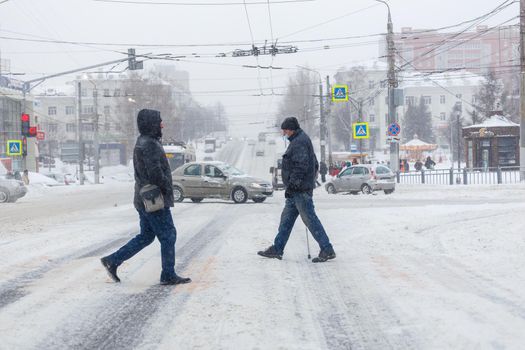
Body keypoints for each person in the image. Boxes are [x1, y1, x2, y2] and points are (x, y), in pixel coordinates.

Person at [101, 109, 191, 285]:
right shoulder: (149, 144)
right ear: (151, 124)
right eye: (159, 122)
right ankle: (168, 274)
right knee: (168, 235)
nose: (162, 125)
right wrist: (166, 187)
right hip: (154, 200)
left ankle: (113, 260)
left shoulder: (143, 141)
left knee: (146, 236)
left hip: (143, 198)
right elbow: (155, 173)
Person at [258, 117, 335, 263]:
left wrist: (294, 185)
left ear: (291, 129)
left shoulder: (299, 142)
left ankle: (327, 249)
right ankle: (277, 248)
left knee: (310, 220)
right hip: (296, 191)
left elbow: (301, 167)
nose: (284, 133)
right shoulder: (299, 140)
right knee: (286, 220)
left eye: (285, 130)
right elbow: (314, 163)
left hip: (300, 191)